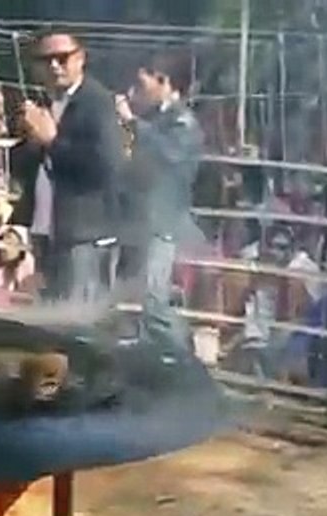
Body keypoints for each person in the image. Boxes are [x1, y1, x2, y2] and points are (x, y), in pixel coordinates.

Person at [9, 30, 123, 304]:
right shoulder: (47, 102)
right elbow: (24, 168)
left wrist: (51, 140)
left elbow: (104, 164)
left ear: (80, 58)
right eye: (45, 59)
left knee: (78, 321)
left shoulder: (97, 102)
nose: (54, 66)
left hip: (83, 234)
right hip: (48, 229)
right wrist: (29, 140)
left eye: (62, 58)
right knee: (50, 319)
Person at [115, 49, 204, 348]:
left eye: (141, 85)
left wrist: (134, 124)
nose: (134, 93)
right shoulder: (158, 118)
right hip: (143, 219)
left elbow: (169, 155)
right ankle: (156, 357)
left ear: (163, 81)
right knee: (139, 298)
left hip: (164, 222)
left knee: (154, 301)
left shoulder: (183, 122)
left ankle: (183, 353)